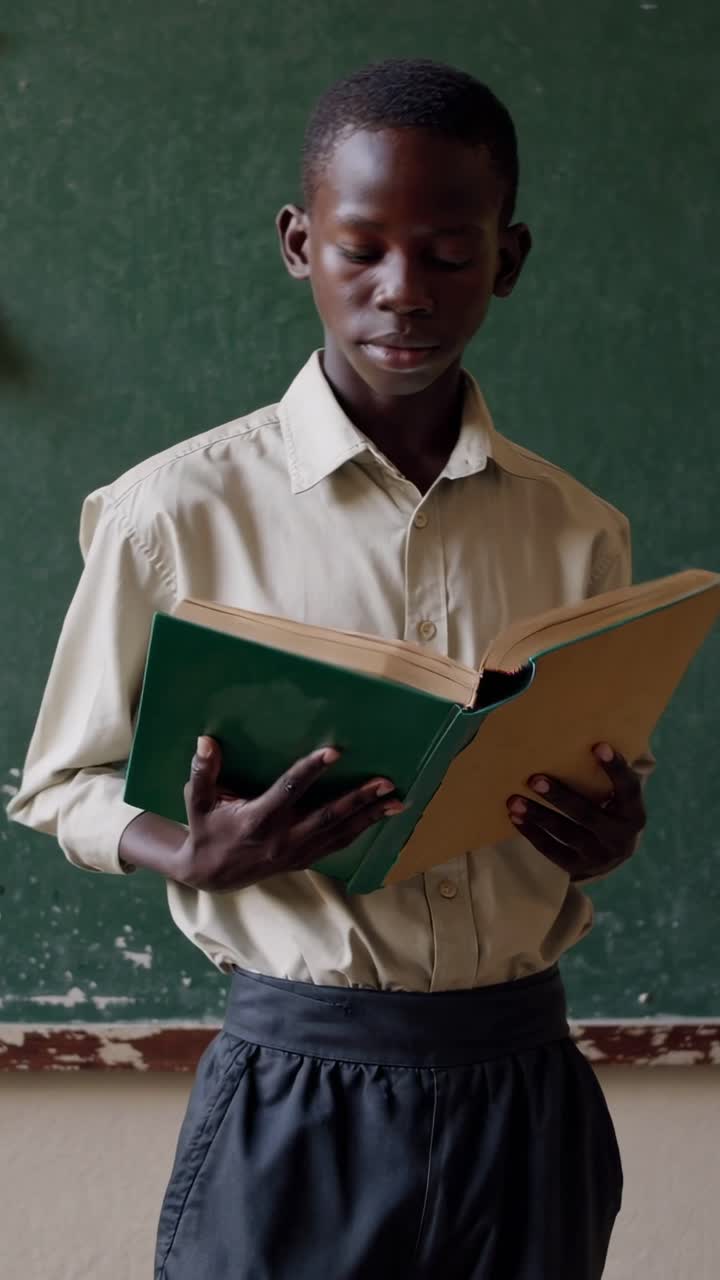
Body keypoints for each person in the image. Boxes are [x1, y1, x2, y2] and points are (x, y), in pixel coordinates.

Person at [9, 59, 651, 1279]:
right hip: (301, 1078)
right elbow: (57, 783)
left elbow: (598, 756)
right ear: (301, 244)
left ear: (507, 259)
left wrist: (606, 828)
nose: (404, 290)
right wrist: (189, 850)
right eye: (363, 248)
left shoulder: (579, 530)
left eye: (451, 254)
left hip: (523, 1072)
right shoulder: (173, 514)